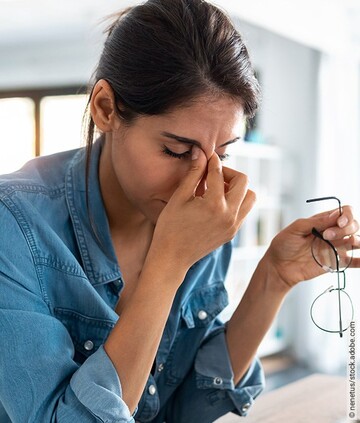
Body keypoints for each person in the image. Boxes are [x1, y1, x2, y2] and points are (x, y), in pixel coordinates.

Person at [0, 0, 359, 422]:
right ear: (105, 108)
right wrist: (169, 262)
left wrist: (273, 279)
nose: (203, 182)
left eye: (222, 152)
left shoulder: (206, 214)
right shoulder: (15, 226)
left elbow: (180, 408)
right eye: (176, 150)